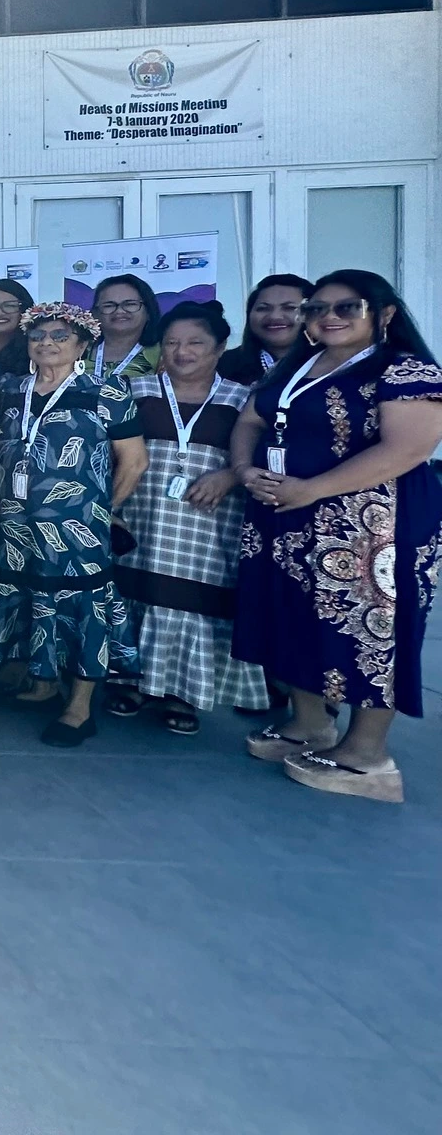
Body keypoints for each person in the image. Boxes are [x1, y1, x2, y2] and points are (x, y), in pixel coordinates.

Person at [231, 270, 442, 802]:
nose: (329, 316)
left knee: (371, 630)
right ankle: (309, 725)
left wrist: (313, 489)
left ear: (384, 314)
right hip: (286, 517)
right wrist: (243, 469)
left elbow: (406, 450)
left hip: (373, 528)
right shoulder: (296, 365)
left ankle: (368, 756)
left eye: (347, 308)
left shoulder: (403, 369)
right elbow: (251, 421)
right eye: (317, 307)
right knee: (293, 617)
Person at [0, 302, 148, 746]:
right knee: (31, 594)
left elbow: (134, 461)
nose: (46, 344)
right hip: (16, 521)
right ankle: (43, 682)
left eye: (59, 336)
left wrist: (102, 508)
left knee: (82, 606)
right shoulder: (11, 387)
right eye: (37, 336)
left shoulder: (105, 389)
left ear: (82, 343)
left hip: (79, 525)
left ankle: (79, 708)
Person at [115, 302, 266, 734]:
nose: (183, 352)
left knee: (195, 600)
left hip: (210, 516)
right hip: (143, 510)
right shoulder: (135, 389)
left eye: (195, 343)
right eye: (173, 343)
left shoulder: (242, 398)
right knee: (134, 590)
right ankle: (131, 679)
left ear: (220, 347)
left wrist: (229, 475)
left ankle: (182, 693)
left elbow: (259, 456)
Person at [216, 273, 311, 386]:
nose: (275, 316)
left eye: (290, 308)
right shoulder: (221, 366)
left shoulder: (331, 364)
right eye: (263, 308)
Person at [90, 274, 162, 382]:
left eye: (130, 304)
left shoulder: (164, 352)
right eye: (109, 306)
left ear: (148, 311)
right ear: (95, 314)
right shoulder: (77, 350)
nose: (119, 311)